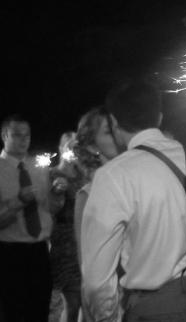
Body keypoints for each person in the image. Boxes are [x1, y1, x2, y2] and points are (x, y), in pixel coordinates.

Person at [81, 81, 186, 321]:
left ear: (113, 121)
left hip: (156, 306)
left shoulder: (114, 175)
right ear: (159, 117)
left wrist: (107, 317)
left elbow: (97, 279)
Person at [0, 114, 65, 322]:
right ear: (4, 135)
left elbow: (51, 209)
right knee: (13, 312)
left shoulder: (38, 168)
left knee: (40, 309)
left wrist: (57, 192)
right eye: (17, 135)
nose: (23, 139)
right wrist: (19, 200)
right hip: (9, 253)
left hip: (39, 251)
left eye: (27, 135)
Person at [73, 107, 121, 264]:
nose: (119, 135)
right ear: (92, 146)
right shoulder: (89, 195)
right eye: (109, 132)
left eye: (120, 128)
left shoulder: (140, 180)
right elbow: (88, 260)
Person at [50, 132, 86, 322]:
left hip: (84, 242)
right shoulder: (53, 174)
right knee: (71, 301)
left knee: (82, 302)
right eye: (70, 146)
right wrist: (56, 192)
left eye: (77, 146)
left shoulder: (85, 174)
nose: (74, 149)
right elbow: (49, 209)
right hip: (65, 243)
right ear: (62, 148)